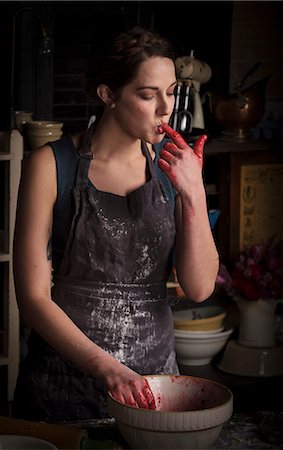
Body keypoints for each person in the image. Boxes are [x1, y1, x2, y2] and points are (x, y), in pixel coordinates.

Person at [12, 25, 219, 422]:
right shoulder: (50, 165)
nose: (165, 109)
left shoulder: (173, 166)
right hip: (62, 385)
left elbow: (199, 286)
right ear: (108, 95)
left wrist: (194, 191)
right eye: (147, 94)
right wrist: (107, 368)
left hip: (153, 385)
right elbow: (33, 297)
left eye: (171, 92)